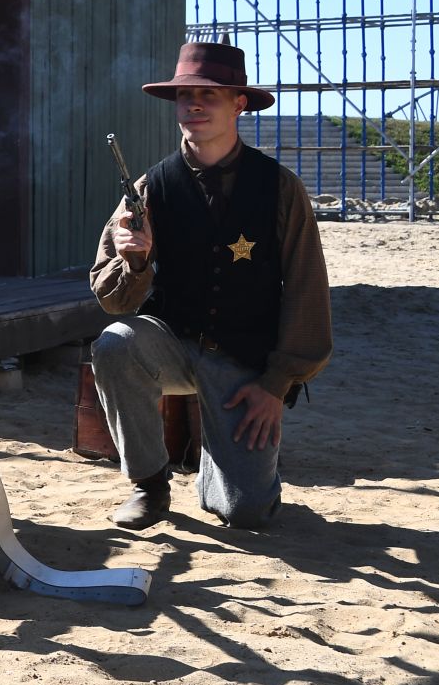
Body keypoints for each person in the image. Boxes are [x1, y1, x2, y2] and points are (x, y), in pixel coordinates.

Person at [88, 41, 332, 530]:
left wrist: (275, 385)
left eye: (210, 95)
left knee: (245, 513)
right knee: (115, 345)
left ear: (239, 103)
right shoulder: (148, 189)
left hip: (245, 362)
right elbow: (113, 301)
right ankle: (151, 485)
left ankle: (224, 475)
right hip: (172, 343)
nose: (194, 105)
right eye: (185, 97)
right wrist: (134, 262)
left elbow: (307, 290)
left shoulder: (281, 188)